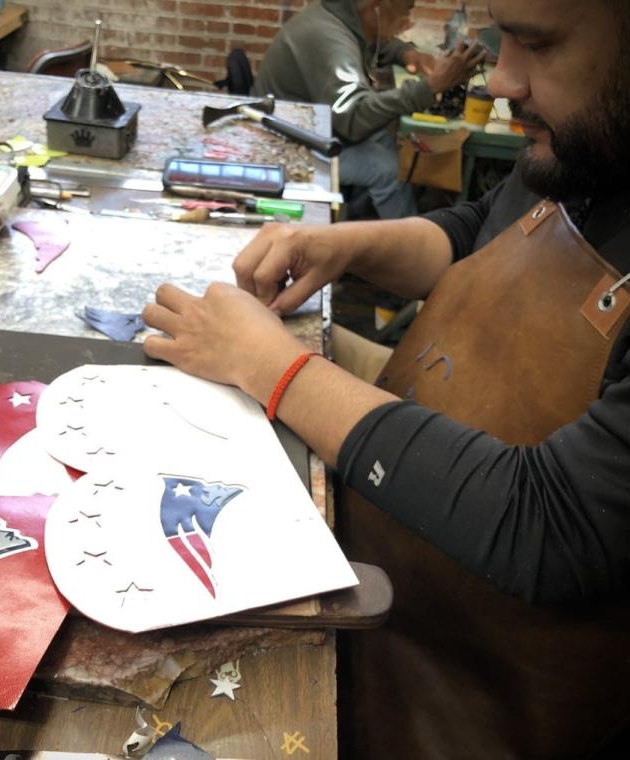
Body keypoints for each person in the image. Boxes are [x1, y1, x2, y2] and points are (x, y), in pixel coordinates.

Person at [143, 0, 630, 756]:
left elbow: (553, 524)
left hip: (474, 694)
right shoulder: (592, 142)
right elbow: (482, 235)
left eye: (536, 44)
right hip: (386, 589)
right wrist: (341, 245)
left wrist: (273, 367)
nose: (501, 77)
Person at [254, 0, 484, 219]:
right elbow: (352, 119)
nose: (406, 22)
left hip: (308, 129)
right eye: (404, 13)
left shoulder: (337, 18)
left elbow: (373, 42)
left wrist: (406, 53)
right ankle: (413, 252)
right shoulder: (329, 37)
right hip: (287, 147)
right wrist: (430, 87)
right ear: (377, 9)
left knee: (384, 136)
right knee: (388, 170)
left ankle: (365, 213)